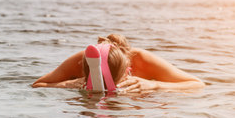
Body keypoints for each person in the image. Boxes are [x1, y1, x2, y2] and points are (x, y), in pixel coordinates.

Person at [32, 34, 205, 92]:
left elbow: (197, 84)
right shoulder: (83, 58)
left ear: (129, 70)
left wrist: (155, 86)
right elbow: (38, 85)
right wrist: (69, 84)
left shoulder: (142, 60)